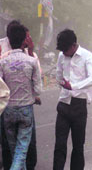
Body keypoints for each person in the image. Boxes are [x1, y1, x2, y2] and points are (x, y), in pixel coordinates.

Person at [53, 29, 92, 170]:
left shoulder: (87, 56)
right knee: (60, 144)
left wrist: (74, 86)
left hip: (79, 104)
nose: (64, 54)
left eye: (66, 50)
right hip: (64, 104)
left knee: (78, 146)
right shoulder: (61, 56)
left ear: (73, 45)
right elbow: (59, 74)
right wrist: (62, 84)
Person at [0, 24, 42, 170]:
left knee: (14, 151)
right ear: (24, 39)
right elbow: (38, 89)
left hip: (8, 110)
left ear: (9, 41)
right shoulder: (31, 61)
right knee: (21, 152)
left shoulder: (2, 62)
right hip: (25, 110)